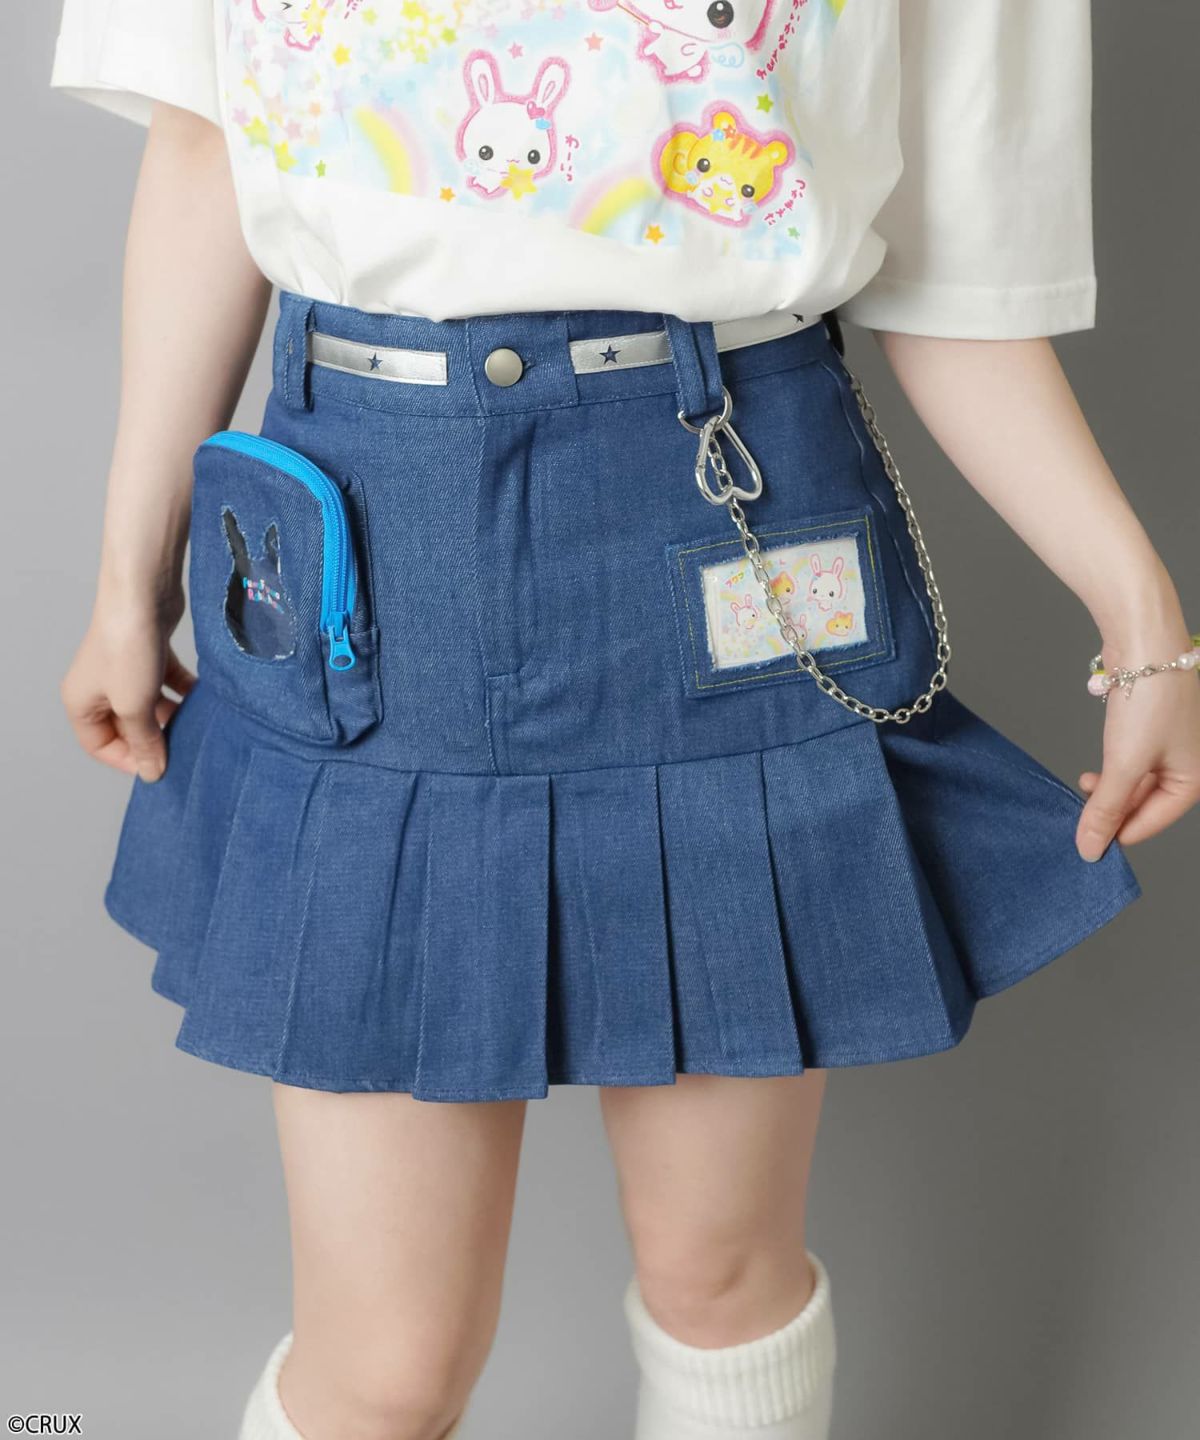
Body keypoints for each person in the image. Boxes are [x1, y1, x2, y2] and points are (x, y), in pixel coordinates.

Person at [48, 1, 1200, 1437]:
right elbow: (204, 143)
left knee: (723, 1277)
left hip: (731, 502)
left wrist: (1144, 618)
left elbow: (959, 273)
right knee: (386, 1370)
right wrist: (131, 574)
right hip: (375, 535)